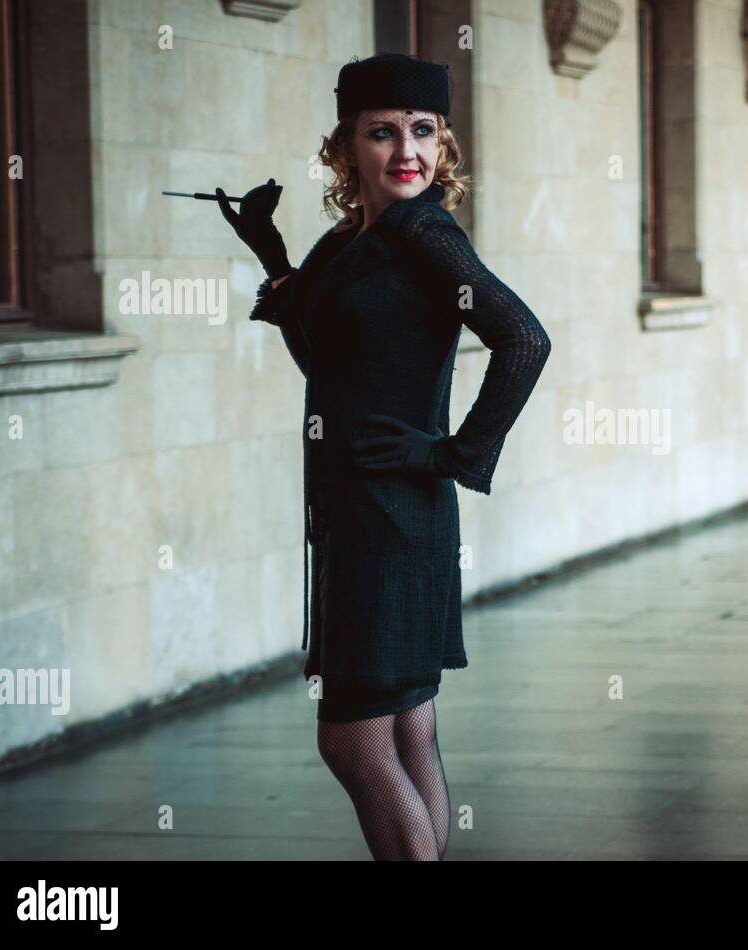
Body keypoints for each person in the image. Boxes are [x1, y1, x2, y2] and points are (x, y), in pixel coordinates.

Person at [215, 52, 551, 860]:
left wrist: (452, 455)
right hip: (361, 514)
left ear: (444, 145)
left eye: (424, 131)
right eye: (383, 132)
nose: (408, 150)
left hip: (390, 519)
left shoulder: (425, 234)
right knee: (405, 729)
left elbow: (524, 340)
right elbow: (329, 358)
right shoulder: (355, 238)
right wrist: (272, 255)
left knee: (354, 744)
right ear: (343, 150)